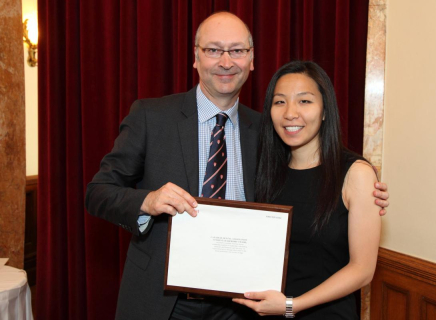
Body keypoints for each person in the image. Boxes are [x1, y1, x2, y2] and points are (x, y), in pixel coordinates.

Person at [85, 12, 389, 320]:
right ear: (195, 57)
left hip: (241, 306)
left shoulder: (267, 131)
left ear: (252, 59)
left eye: (238, 50)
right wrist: (147, 201)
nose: (226, 62)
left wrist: (363, 193)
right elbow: (97, 192)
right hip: (163, 301)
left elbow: (312, 182)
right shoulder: (152, 117)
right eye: (214, 50)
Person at [232, 61, 381, 319]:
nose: (290, 113)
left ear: (324, 111)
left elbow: (363, 270)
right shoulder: (264, 171)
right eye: (280, 102)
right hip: (266, 311)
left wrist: (292, 305)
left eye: (305, 101)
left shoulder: (355, 174)